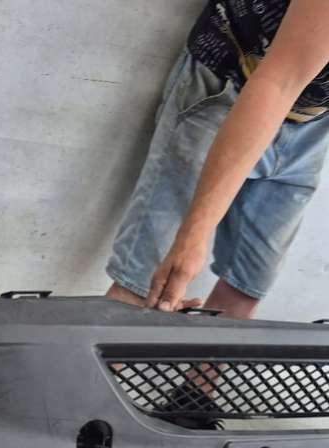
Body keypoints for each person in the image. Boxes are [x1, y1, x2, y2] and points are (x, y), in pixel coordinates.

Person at [105, 0, 329, 320]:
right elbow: (278, 82)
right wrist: (192, 236)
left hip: (312, 121)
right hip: (232, 83)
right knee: (147, 283)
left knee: (244, 289)